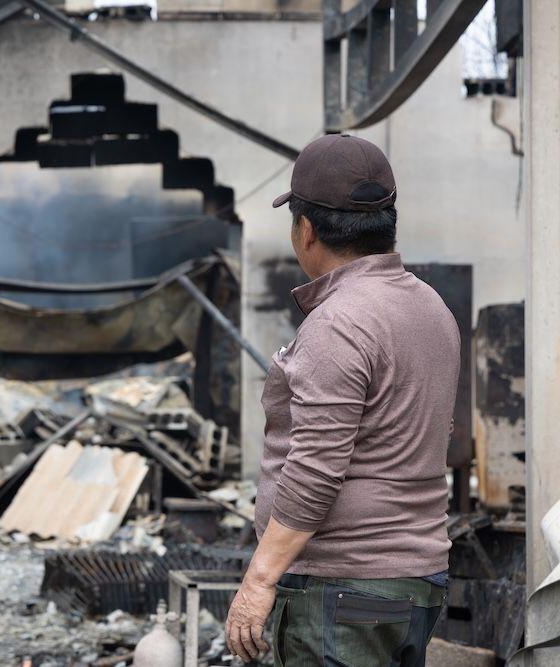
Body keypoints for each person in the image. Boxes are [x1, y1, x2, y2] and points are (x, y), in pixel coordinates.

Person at [224, 134, 457, 665]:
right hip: (412, 577)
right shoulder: (430, 308)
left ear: (305, 231)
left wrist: (259, 581)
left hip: (344, 589)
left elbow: (315, 467)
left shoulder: (338, 322)